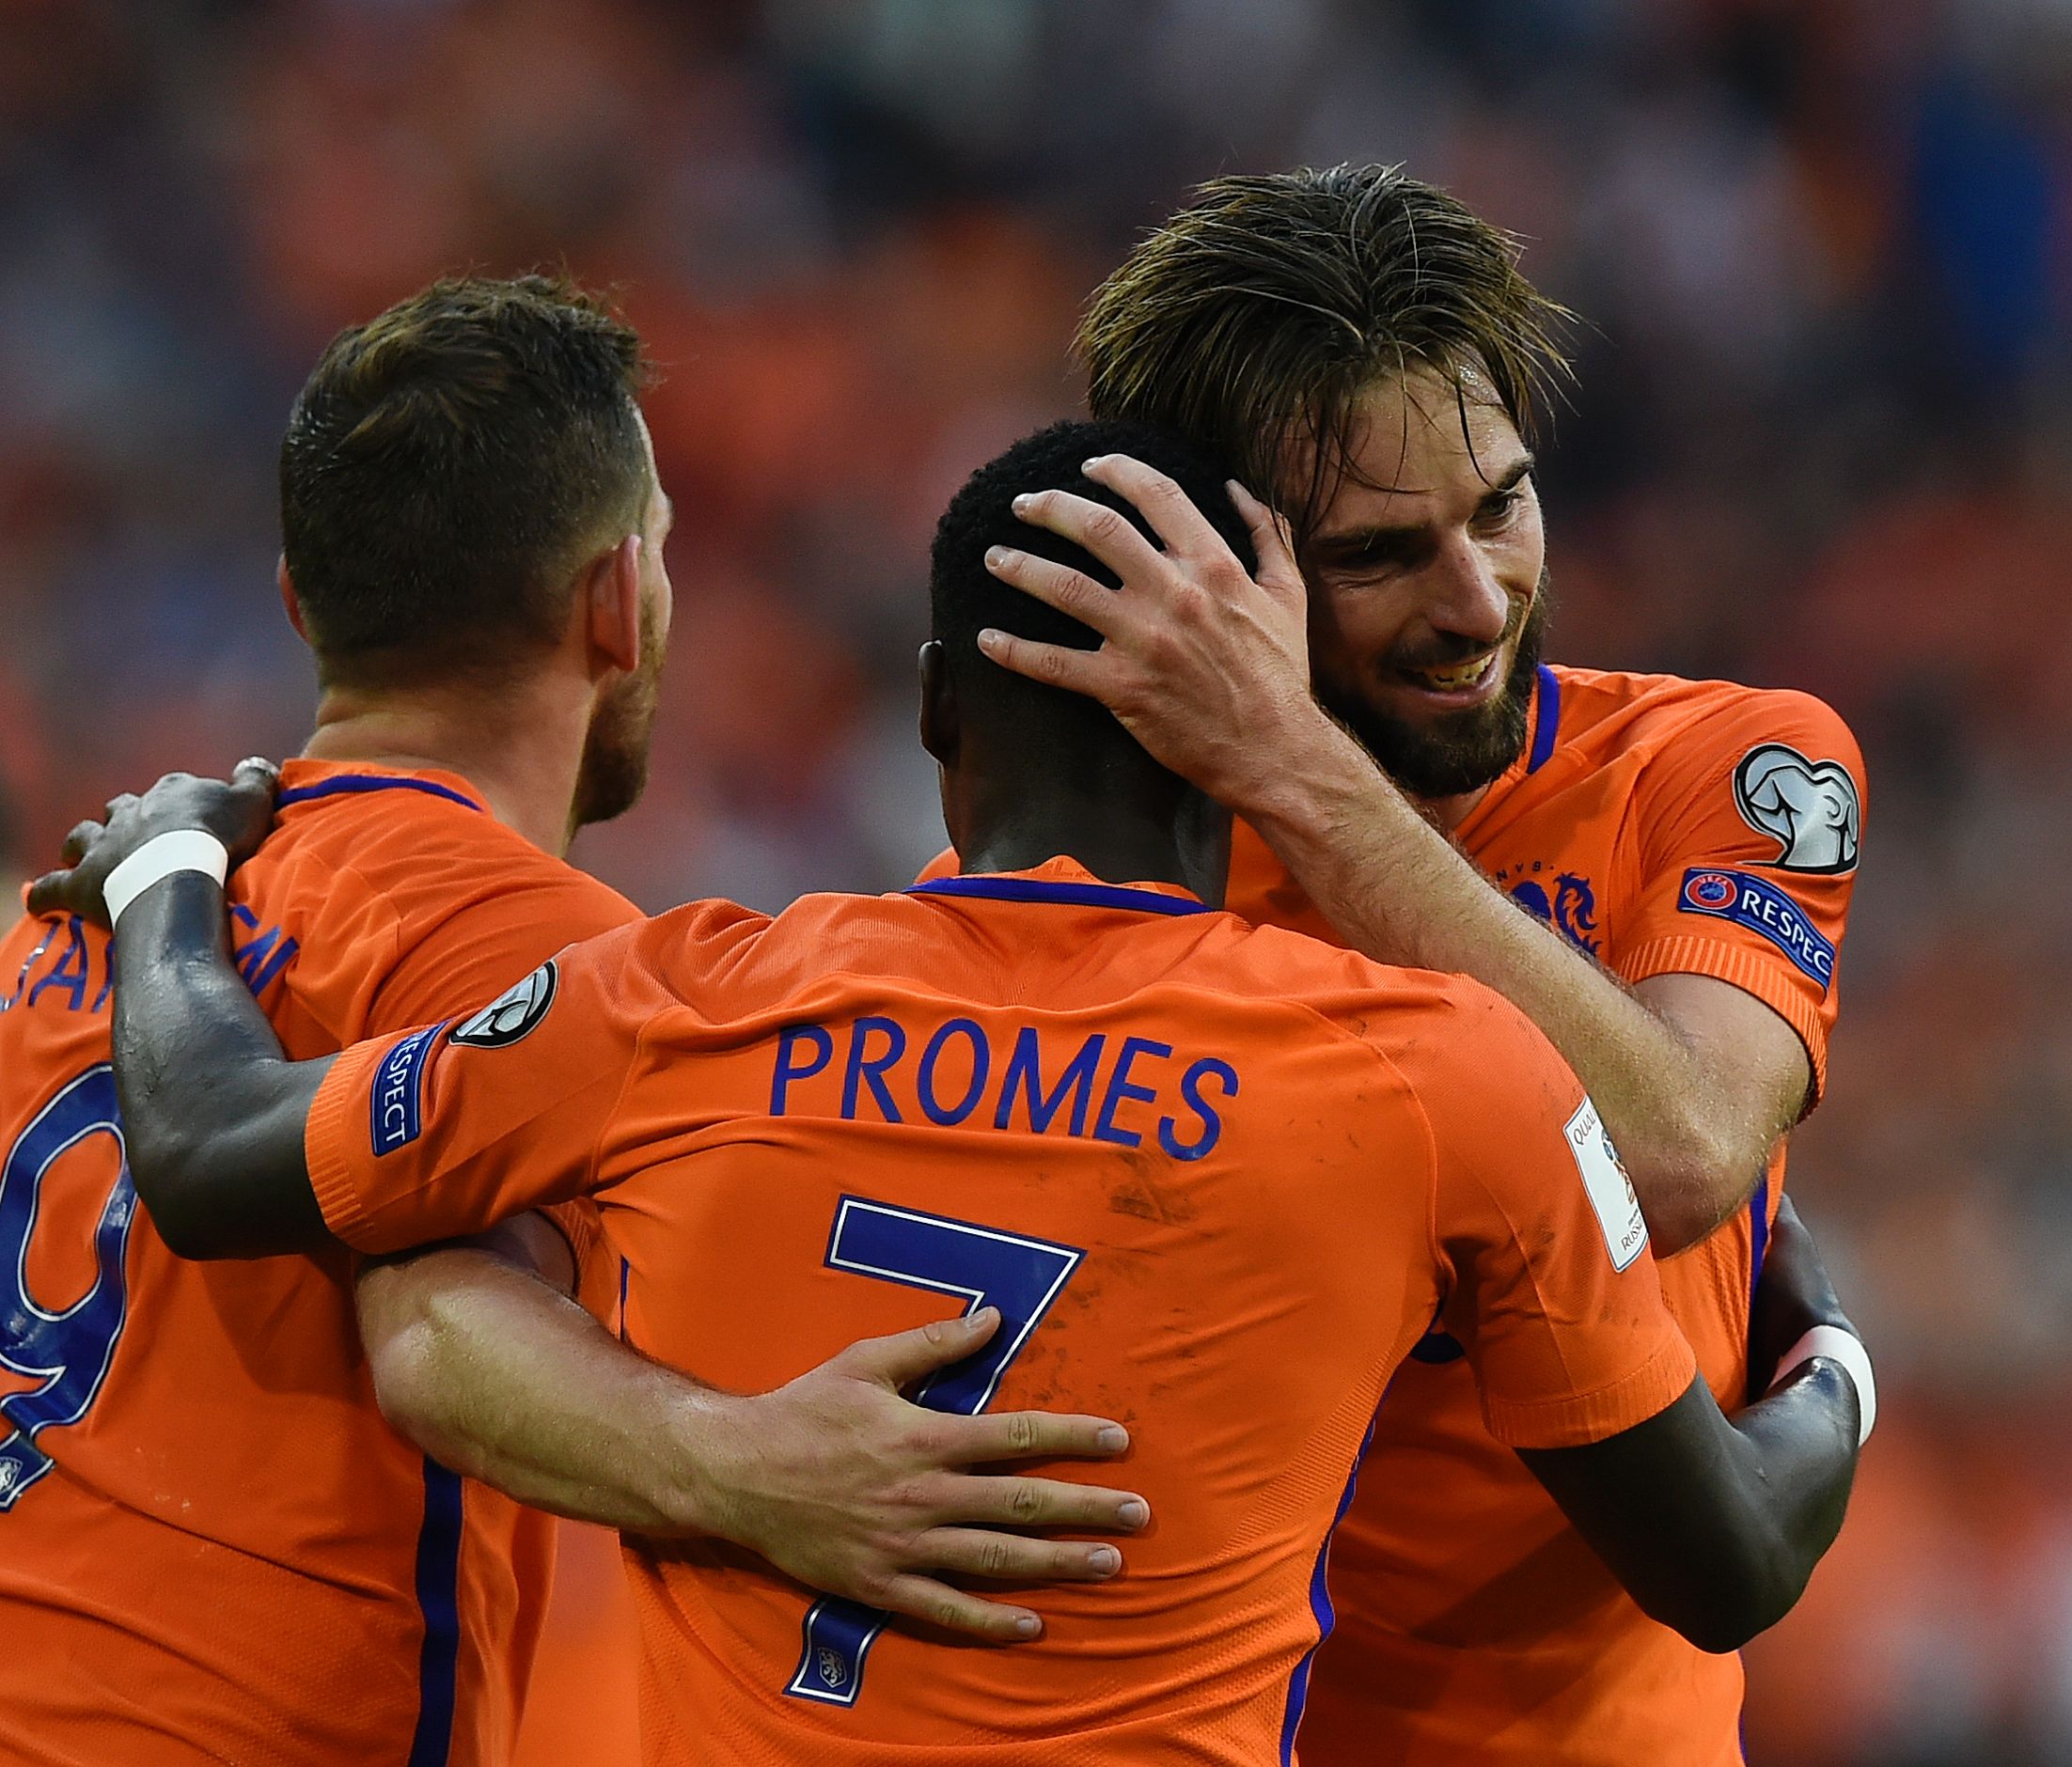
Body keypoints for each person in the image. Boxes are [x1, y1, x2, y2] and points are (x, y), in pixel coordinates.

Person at [36, 419, 1865, 1765]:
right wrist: (1832, 1350)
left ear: (930, 711)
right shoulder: (1444, 1072)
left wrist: (162, 877)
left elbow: (212, 1154)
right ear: (1252, 717)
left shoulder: (677, 1000)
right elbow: (1724, 1555)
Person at [0, 279, 1140, 1766]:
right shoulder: (536, 949)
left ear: (297, 598)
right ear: (620, 597)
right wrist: (747, 1468)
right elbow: (441, 1332)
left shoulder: (75, 916)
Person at [972, 164, 1874, 1763]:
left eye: (1501, 506)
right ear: (1208, 565)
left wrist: (1298, 775)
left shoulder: (1727, 763)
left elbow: (1674, 1152)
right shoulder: (1104, 880)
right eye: (1376, 555)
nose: (1476, 602)